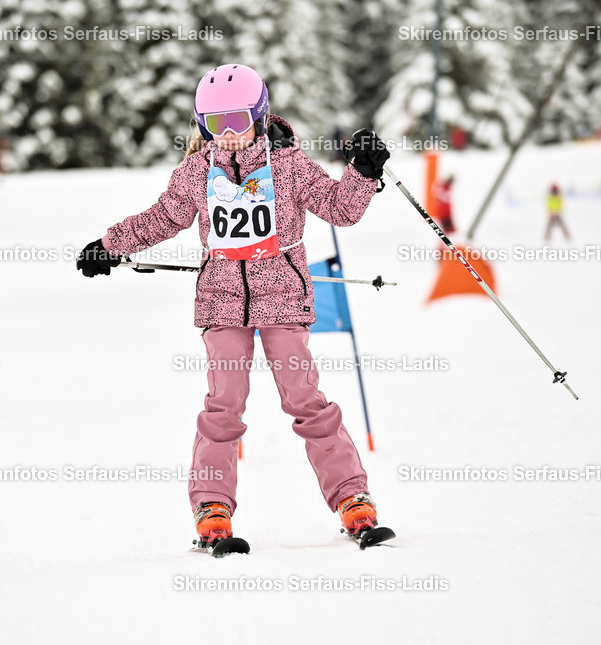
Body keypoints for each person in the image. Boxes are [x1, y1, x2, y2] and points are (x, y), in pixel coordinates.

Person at [76, 63, 390, 548]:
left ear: (260, 117)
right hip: (222, 304)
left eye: (238, 122)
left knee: (305, 402)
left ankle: (353, 498)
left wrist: (362, 173)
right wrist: (110, 244)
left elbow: (339, 208)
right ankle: (212, 506)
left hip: (283, 300)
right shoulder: (198, 171)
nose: (227, 135)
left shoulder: (288, 166)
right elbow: (164, 217)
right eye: (214, 124)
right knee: (224, 406)